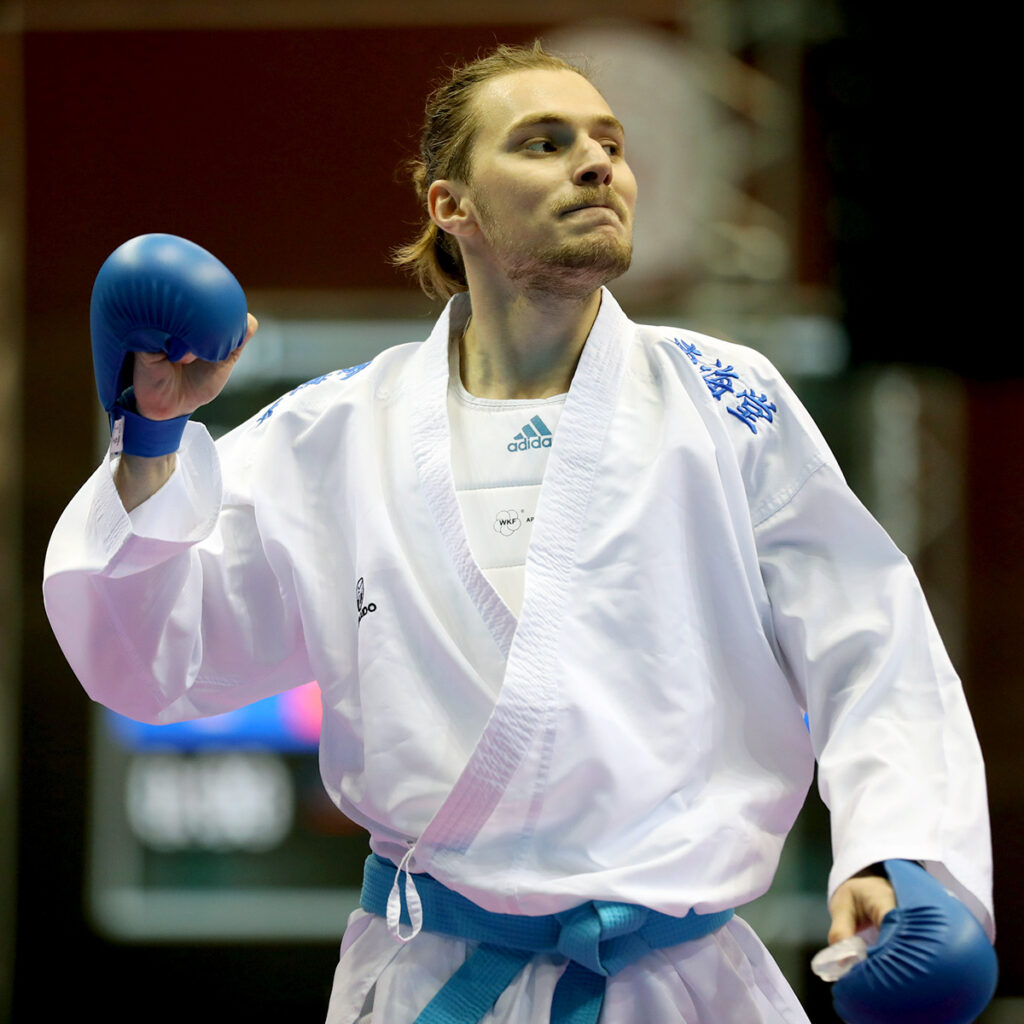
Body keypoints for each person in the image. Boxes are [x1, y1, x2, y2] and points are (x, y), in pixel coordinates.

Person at [43, 42, 993, 1024]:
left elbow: (869, 640)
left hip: (682, 987)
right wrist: (150, 440)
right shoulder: (333, 434)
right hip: (434, 982)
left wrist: (899, 852)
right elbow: (150, 657)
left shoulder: (725, 401)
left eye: (609, 144)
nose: (597, 165)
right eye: (544, 143)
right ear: (448, 204)